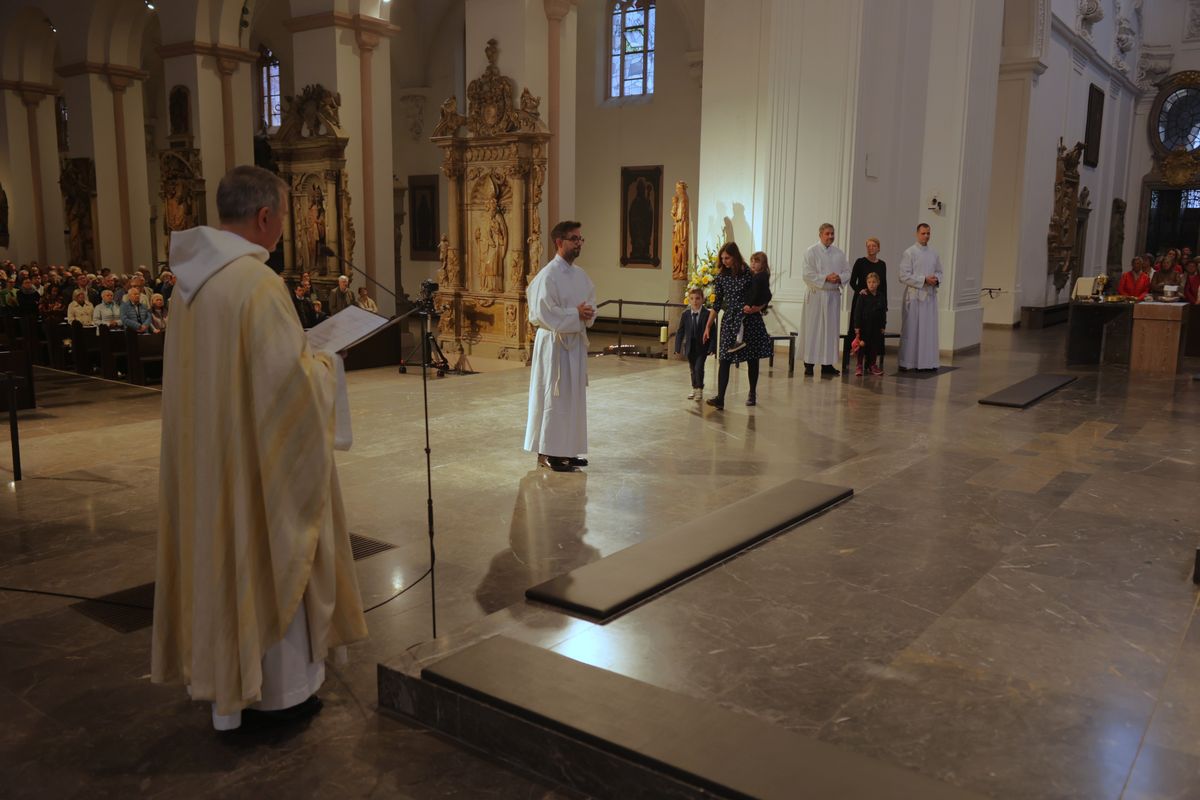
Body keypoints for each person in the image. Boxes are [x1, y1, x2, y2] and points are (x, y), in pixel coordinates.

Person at [153, 164, 367, 732]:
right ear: (266, 216)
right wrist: (326, 366)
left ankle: (230, 695)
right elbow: (289, 388)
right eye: (282, 221)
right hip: (256, 462)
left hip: (211, 459)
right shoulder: (258, 285)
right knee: (271, 549)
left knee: (224, 558)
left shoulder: (190, 286)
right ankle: (281, 695)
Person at [524, 220, 596, 472]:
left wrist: (586, 313)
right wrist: (576, 314)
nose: (578, 243)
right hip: (553, 346)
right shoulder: (548, 276)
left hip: (574, 344)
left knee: (572, 398)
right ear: (559, 242)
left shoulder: (580, 275)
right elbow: (544, 313)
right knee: (552, 397)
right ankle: (546, 452)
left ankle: (567, 449)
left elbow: (591, 303)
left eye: (580, 239)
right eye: (574, 239)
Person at [704, 243, 773, 408]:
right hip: (729, 321)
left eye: (727, 258)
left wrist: (759, 307)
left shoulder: (749, 273)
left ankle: (752, 393)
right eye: (722, 258)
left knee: (752, 357)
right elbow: (717, 304)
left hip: (749, 320)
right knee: (724, 359)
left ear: (735, 256)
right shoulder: (721, 277)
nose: (724, 261)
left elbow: (764, 293)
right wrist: (708, 325)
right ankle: (720, 398)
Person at [801, 223, 850, 376]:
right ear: (820, 234)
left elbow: (848, 271)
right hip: (816, 295)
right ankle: (809, 364)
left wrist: (839, 278)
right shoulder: (811, 252)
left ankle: (827, 364)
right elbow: (807, 274)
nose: (830, 236)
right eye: (827, 233)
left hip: (832, 296)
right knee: (813, 329)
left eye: (832, 234)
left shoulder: (839, 253)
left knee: (830, 330)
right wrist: (825, 278)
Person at [898, 223, 943, 371]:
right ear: (917, 234)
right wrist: (924, 279)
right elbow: (903, 276)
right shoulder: (909, 252)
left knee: (928, 330)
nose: (926, 236)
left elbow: (939, 271)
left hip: (929, 296)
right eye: (923, 233)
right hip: (915, 296)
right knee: (912, 329)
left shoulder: (934, 253)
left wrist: (936, 279)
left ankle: (927, 362)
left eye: (928, 233)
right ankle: (908, 362)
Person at [674, 286, 715, 400]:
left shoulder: (707, 314)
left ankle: (700, 389)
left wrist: (712, 347)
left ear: (702, 299)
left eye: (697, 298)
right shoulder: (685, 314)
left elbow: (713, 332)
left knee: (698, 368)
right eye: (692, 298)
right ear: (689, 300)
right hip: (690, 347)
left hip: (702, 347)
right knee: (692, 369)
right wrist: (677, 347)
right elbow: (680, 331)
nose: (695, 301)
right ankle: (694, 387)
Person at [728, 250, 772, 354]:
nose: (753, 264)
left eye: (756, 262)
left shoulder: (758, 277)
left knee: (740, 319)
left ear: (763, 264)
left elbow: (755, 293)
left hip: (754, 303)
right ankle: (739, 340)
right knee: (741, 320)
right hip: (757, 303)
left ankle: (739, 340)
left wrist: (749, 304)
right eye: (751, 261)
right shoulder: (762, 275)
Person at [847, 237, 887, 352]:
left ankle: (871, 360)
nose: (870, 248)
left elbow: (884, 285)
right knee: (859, 329)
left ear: (878, 248)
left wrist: (885, 304)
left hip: (876, 302)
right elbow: (852, 281)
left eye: (873, 246)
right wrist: (860, 290)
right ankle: (856, 355)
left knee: (874, 330)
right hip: (862, 300)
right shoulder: (860, 262)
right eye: (868, 246)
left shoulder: (882, 264)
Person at [852, 272, 887, 377]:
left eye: (874, 282)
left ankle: (872, 365)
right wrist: (857, 327)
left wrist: (883, 326)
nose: (871, 284)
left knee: (874, 347)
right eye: (869, 282)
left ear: (878, 283)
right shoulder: (863, 295)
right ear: (866, 283)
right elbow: (857, 312)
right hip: (864, 327)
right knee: (862, 347)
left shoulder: (881, 296)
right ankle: (859, 365)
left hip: (876, 327)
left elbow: (883, 312)